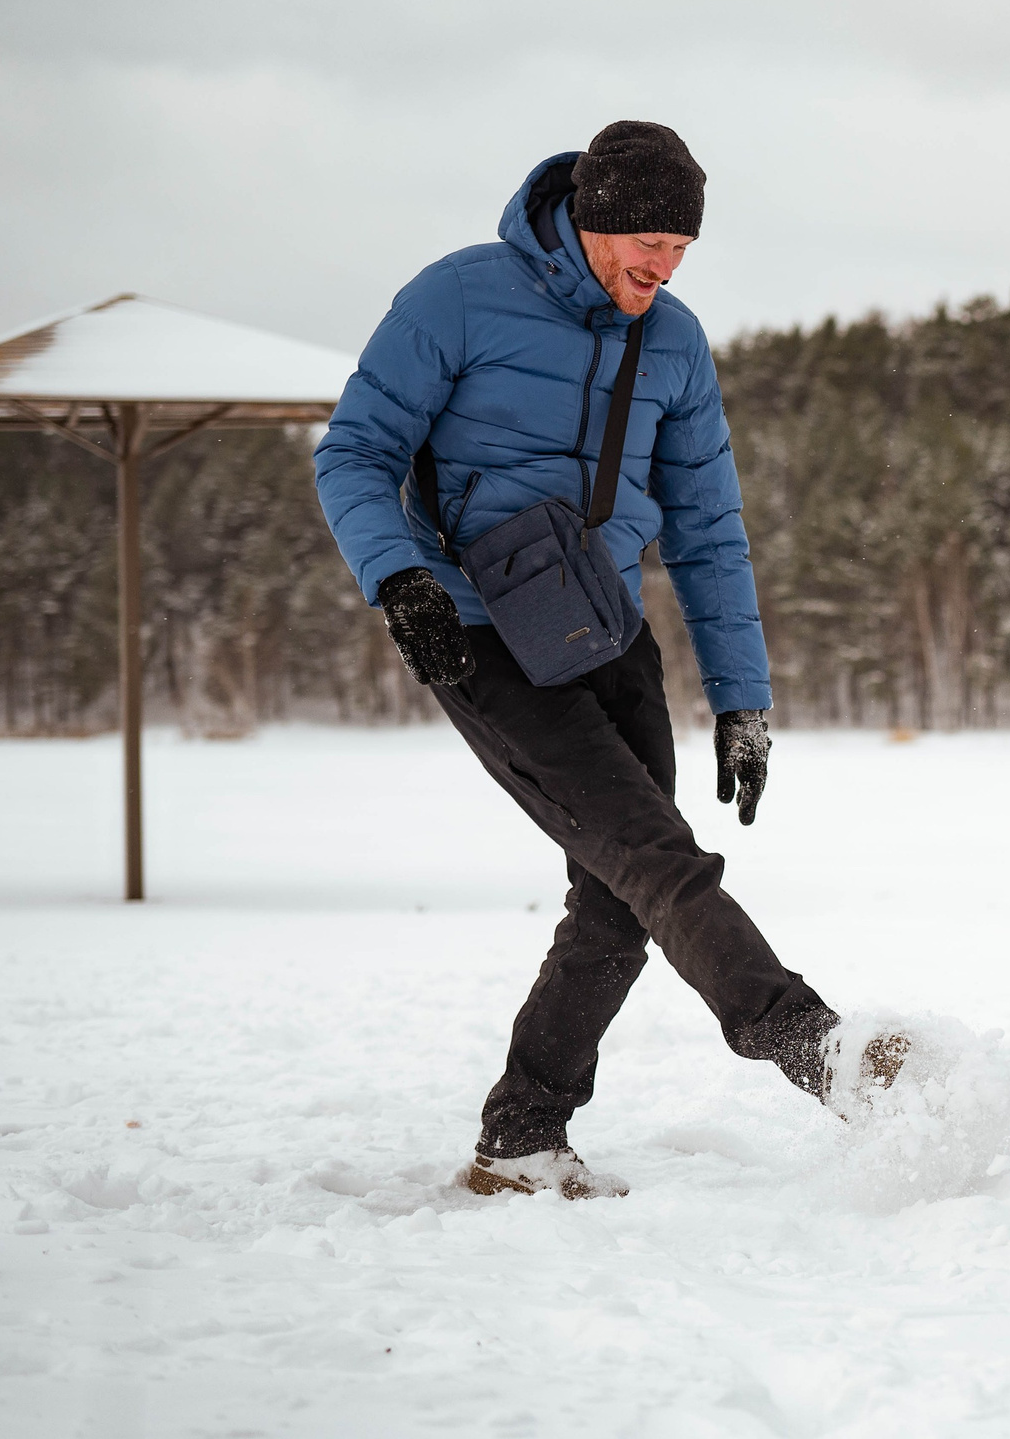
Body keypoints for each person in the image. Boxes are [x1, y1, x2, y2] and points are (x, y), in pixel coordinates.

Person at [315, 121, 891, 1200]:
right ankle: (822, 1050)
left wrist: (742, 701)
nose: (663, 268)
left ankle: (521, 1135)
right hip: (479, 629)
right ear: (592, 219)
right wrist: (401, 580)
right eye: (648, 243)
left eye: (681, 248)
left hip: (605, 626)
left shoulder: (674, 340)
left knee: (621, 898)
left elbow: (709, 532)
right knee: (657, 859)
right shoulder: (457, 297)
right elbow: (354, 451)